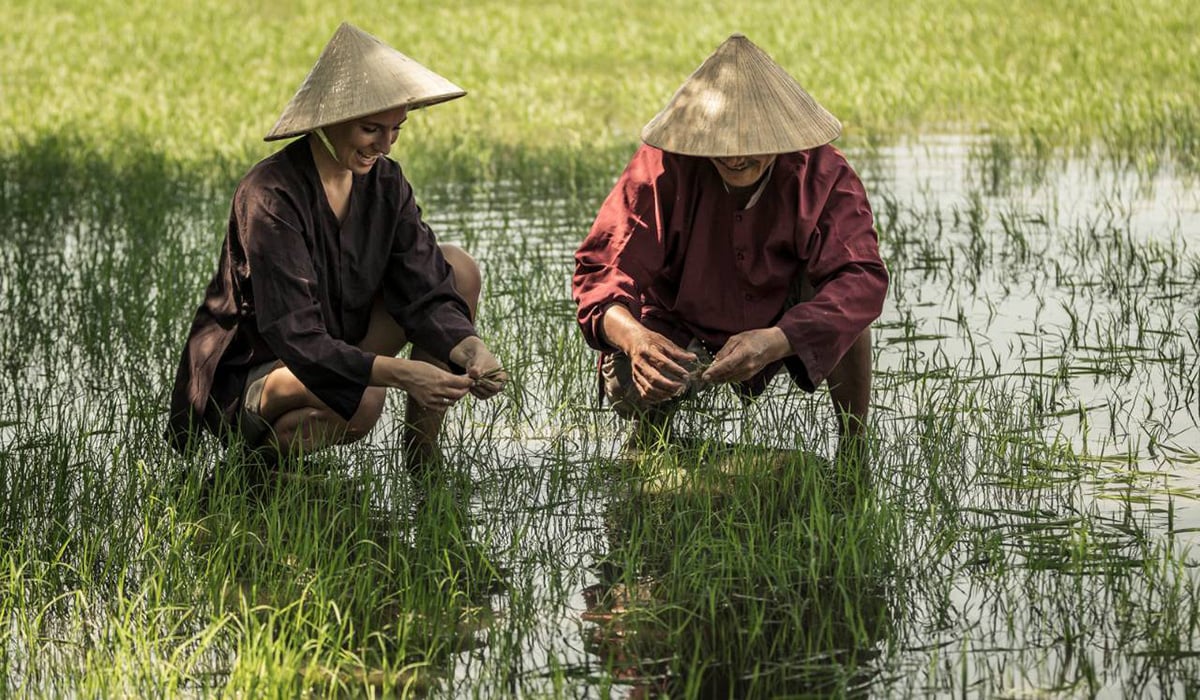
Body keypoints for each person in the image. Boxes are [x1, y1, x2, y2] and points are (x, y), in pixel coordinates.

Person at [166, 23, 506, 471]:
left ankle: (421, 456)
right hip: (265, 369)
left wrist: (470, 350)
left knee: (456, 269)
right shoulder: (270, 196)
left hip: (339, 343)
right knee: (363, 400)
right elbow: (298, 339)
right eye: (371, 129)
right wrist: (403, 374)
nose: (384, 145)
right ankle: (249, 474)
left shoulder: (386, 182)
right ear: (330, 119)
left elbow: (426, 284)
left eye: (396, 129)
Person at [572, 34, 888, 462]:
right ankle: (649, 440)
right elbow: (601, 267)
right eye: (722, 144)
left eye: (750, 144)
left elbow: (862, 278)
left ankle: (854, 450)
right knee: (631, 378)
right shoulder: (664, 164)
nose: (735, 157)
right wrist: (635, 340)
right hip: (677, 318)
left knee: (845, 310)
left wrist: (777, 340)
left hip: (780, 315)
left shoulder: (822, 172)